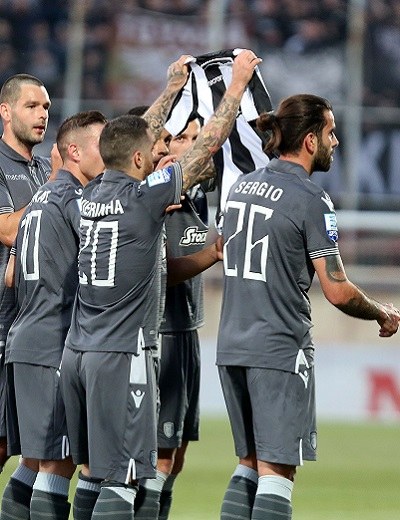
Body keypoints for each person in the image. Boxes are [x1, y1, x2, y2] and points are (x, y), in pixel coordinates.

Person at [59, 49, 261, 520]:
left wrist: (172, 88)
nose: (161, 152)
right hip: (122, 354)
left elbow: (128, 137)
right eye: (154, 148)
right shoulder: (144, 198)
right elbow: (207, 145)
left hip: (78, 352)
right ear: (138, 157)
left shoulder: (89, 192)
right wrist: (236, 86)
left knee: (92, 472)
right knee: (125, 477)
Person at [216, 93, 400, 520]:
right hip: (278, 349)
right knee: (277, 471)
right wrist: (381, 311)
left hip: (232, 346)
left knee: (248, 463)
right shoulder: (311, 199)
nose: (336, 142)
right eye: (331, 132)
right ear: (310, 140)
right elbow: (336, 290)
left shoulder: (243, 186)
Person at [2, 110, 107, 520]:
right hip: (54, 342)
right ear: (75, 152)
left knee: (33, 461)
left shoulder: (38, 200)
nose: (108, 152)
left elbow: (11, 276)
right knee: (57, 464)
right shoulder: (74, 201)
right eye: (100, 144)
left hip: (26, 337)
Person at [135, 115, 215, 520]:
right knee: (158, 459)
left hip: (187, 331)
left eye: (193, 138)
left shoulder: (194, 193)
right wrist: (214, 253)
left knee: (175, 457)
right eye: (178, 138)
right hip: (160, 331)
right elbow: (161, 269)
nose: (184, 147)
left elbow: (219, 156)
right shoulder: (150, 195)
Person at [0, 73, 52, 520]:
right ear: (6, 111)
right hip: (1, 322)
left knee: (31, 450)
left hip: (31, 326)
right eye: (32, 106)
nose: (42, 115)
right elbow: (6, 229)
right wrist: (56, 193)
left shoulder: (39, 170)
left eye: (46, 108)